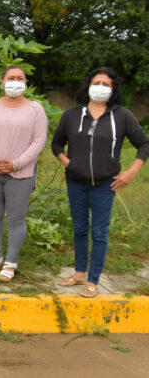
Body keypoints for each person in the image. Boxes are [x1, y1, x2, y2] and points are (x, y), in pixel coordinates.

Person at [52, 67, 149, 298]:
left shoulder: (122, 115)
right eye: (97, 82)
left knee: (99, 231)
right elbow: (56, 144)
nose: (101, 87)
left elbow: (144, 144)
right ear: (88, 85)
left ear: (113, 89)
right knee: (80, 228)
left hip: (106, 185)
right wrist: (69, 164)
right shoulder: (72, 114)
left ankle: (93, 280)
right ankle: (79, 273)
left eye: (106, 84)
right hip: (76, 182)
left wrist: (132, 172)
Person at [0, 66, 48, 282]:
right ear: (2, 82)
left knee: (16, 219)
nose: (15, 81)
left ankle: (11, 261)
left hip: (21, 174)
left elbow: (39, 140)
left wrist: (17, 163)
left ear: (25, 82)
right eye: (11, 78)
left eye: (20, 78)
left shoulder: (35, 110)